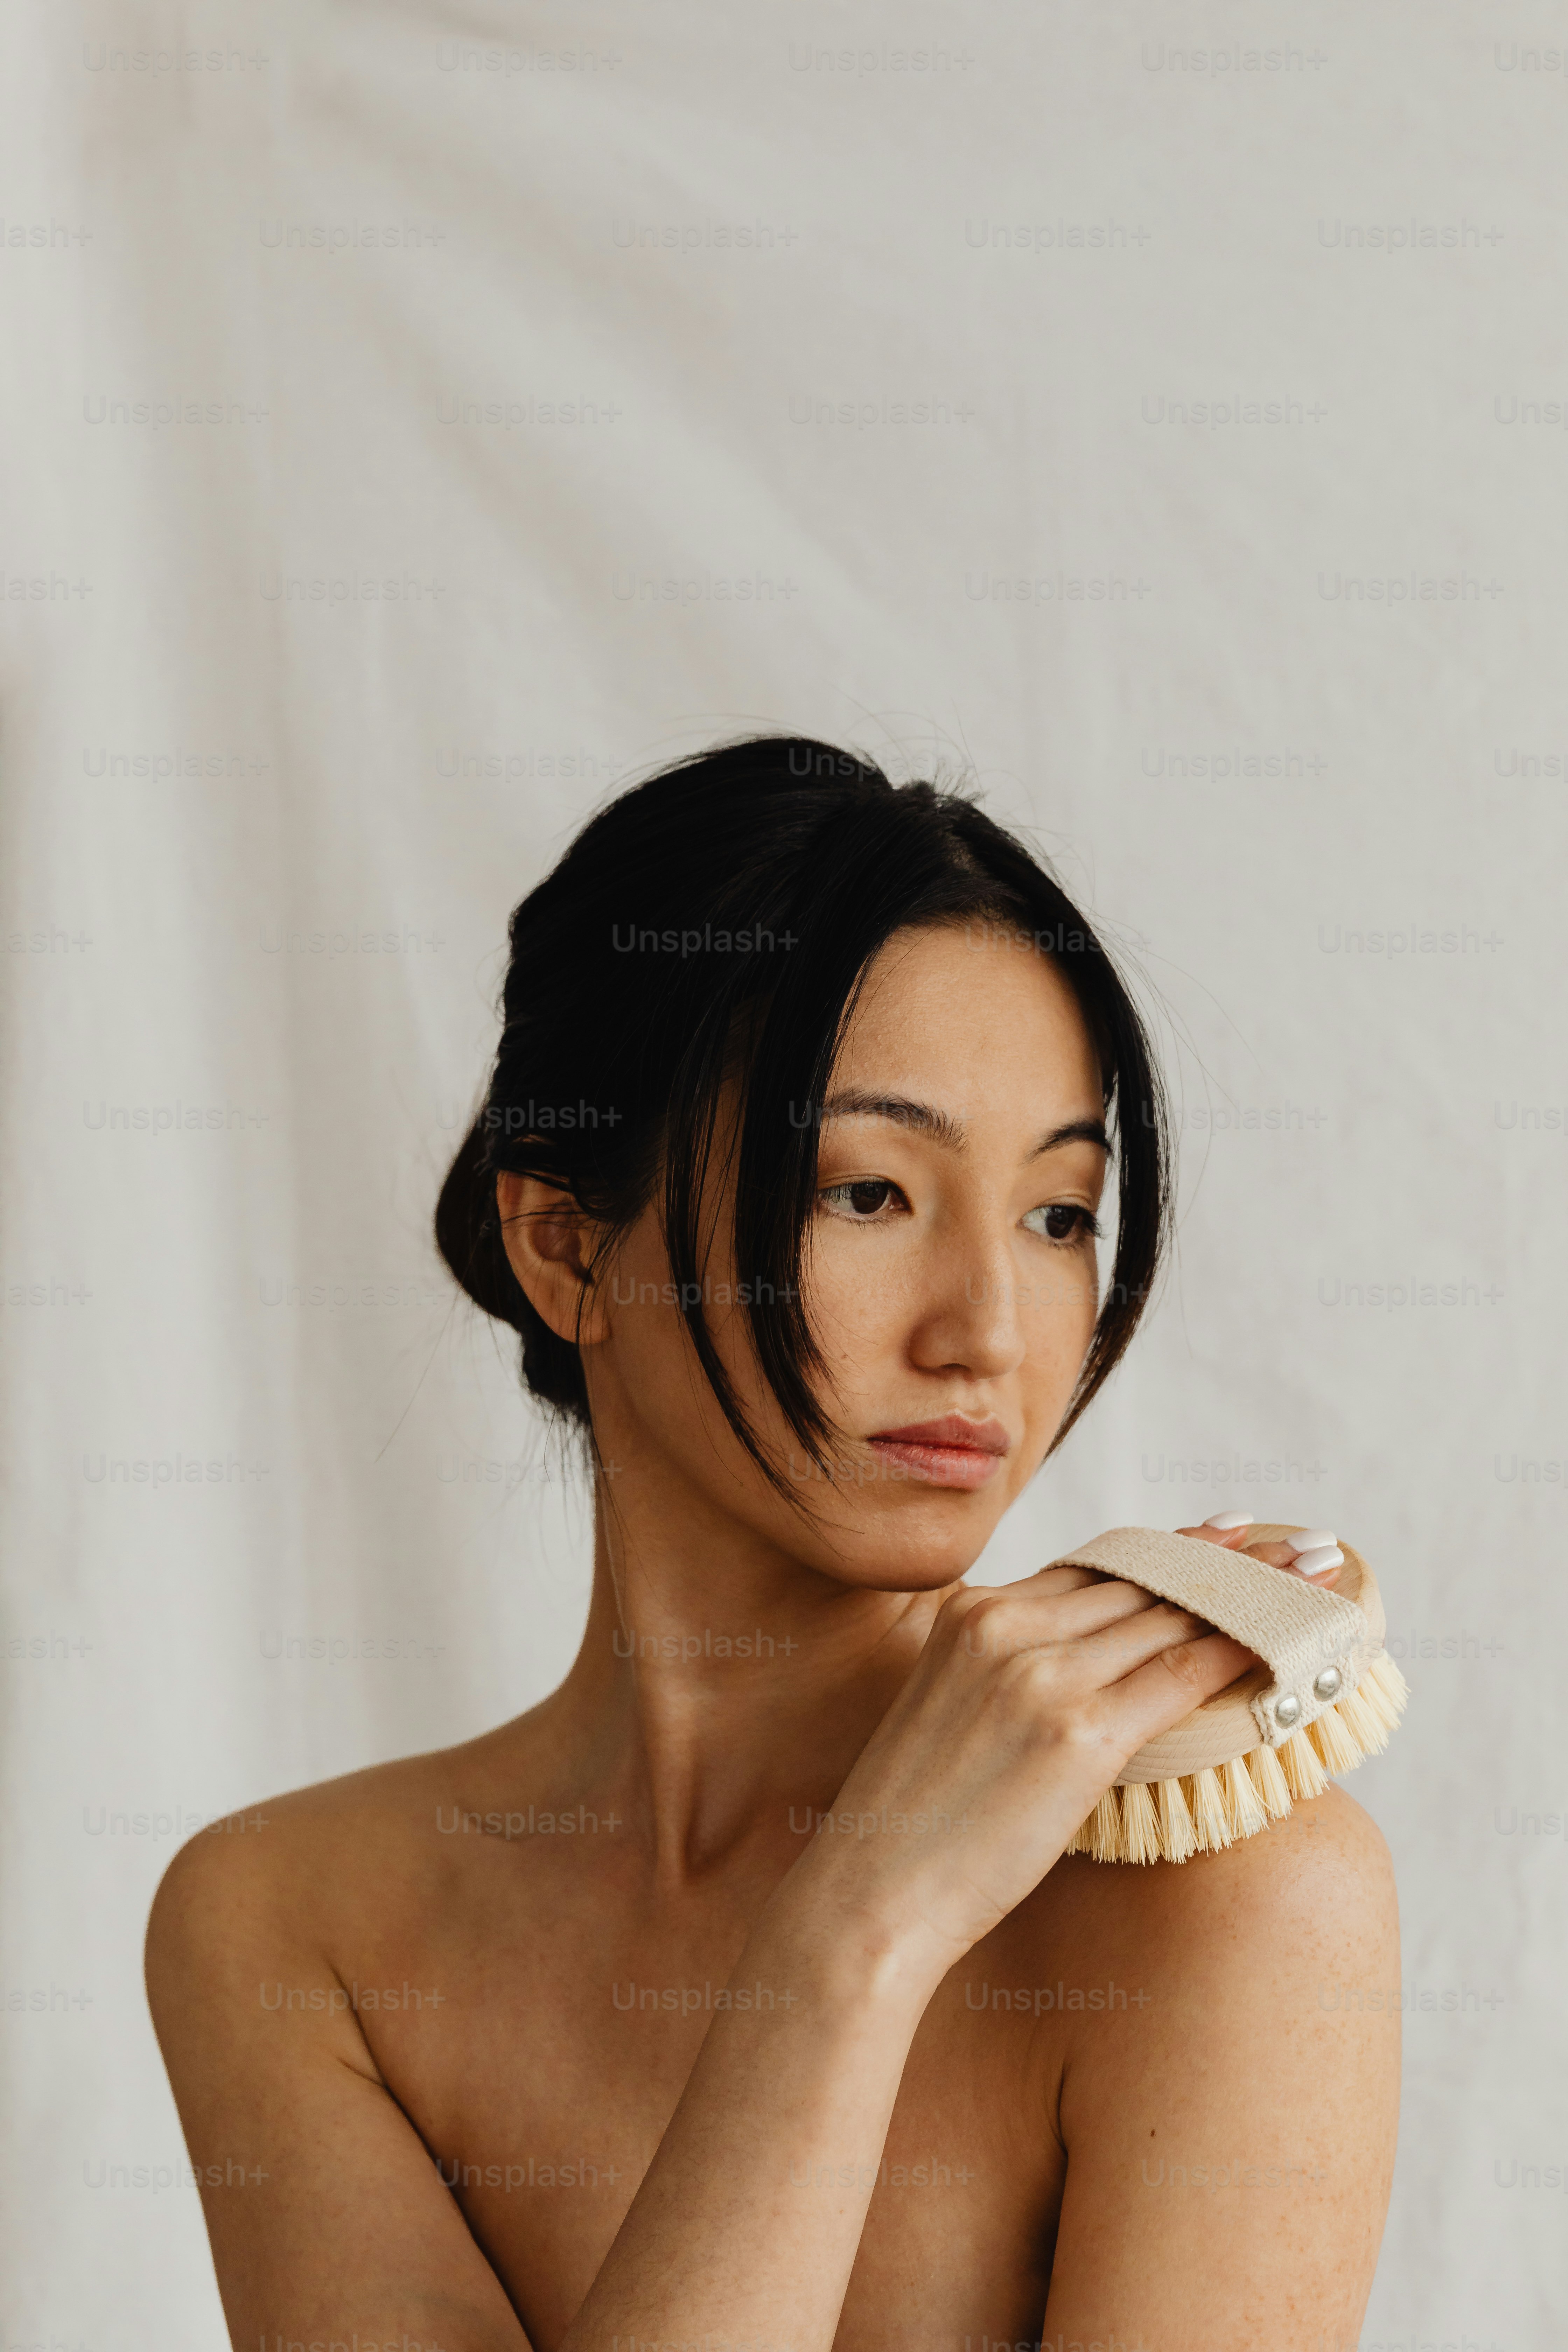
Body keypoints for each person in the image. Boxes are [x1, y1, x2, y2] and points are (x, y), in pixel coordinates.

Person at [147, 737, 1399, 2352]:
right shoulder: (290, 1926)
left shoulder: (1224, 1897)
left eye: (1058, 1216)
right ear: (568, 1246)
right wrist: (854, 1934)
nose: (987, 1336)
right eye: (866, 1194)